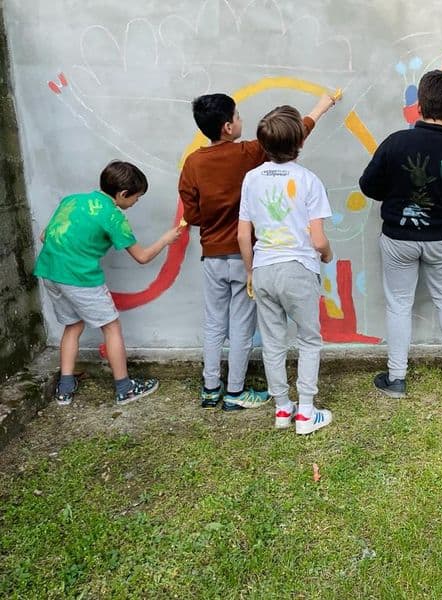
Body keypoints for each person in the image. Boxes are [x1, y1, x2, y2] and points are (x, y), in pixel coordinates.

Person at [180, 91, 335, 411]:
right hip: (244, 257)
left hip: (211, 255)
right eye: (237, 117)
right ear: (226, 127)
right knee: (240, 327)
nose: (241, 121)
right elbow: (292, 133)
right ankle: (235, 392)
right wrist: (320, 107)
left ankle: (210, 388)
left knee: (213, 324)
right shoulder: (248, 155)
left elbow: (192, 214)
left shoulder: (193, 162)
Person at [358, 69, 442, 399]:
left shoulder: (395, 143)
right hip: (440, 238)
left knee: (399, 304)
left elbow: (368, 185)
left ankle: (397, 378)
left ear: (418, 106)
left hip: (398, 238)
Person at [34, 160, 183, 405]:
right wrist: (166, 239)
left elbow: (44, 235)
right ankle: (125, 388)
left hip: (49, 272)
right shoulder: (113, 216)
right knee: (111, 327)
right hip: (80, 278)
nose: (136, 202)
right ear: (123, 194)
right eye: (136, 197)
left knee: (73, 326)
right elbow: (143, 257)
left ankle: (65, 387)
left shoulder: (71, 200)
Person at [238, 105, 334, 435]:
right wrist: (326, 255)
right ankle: (306, 412)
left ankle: (282, 408)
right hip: (298, 268)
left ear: (263, 144)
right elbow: (318, 239)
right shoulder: (309, 180)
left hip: (263, 268)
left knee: (273, 341)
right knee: (309, 339)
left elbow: (242, 234)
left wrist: (251, 271)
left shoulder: (251, 179)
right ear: (300, 142)